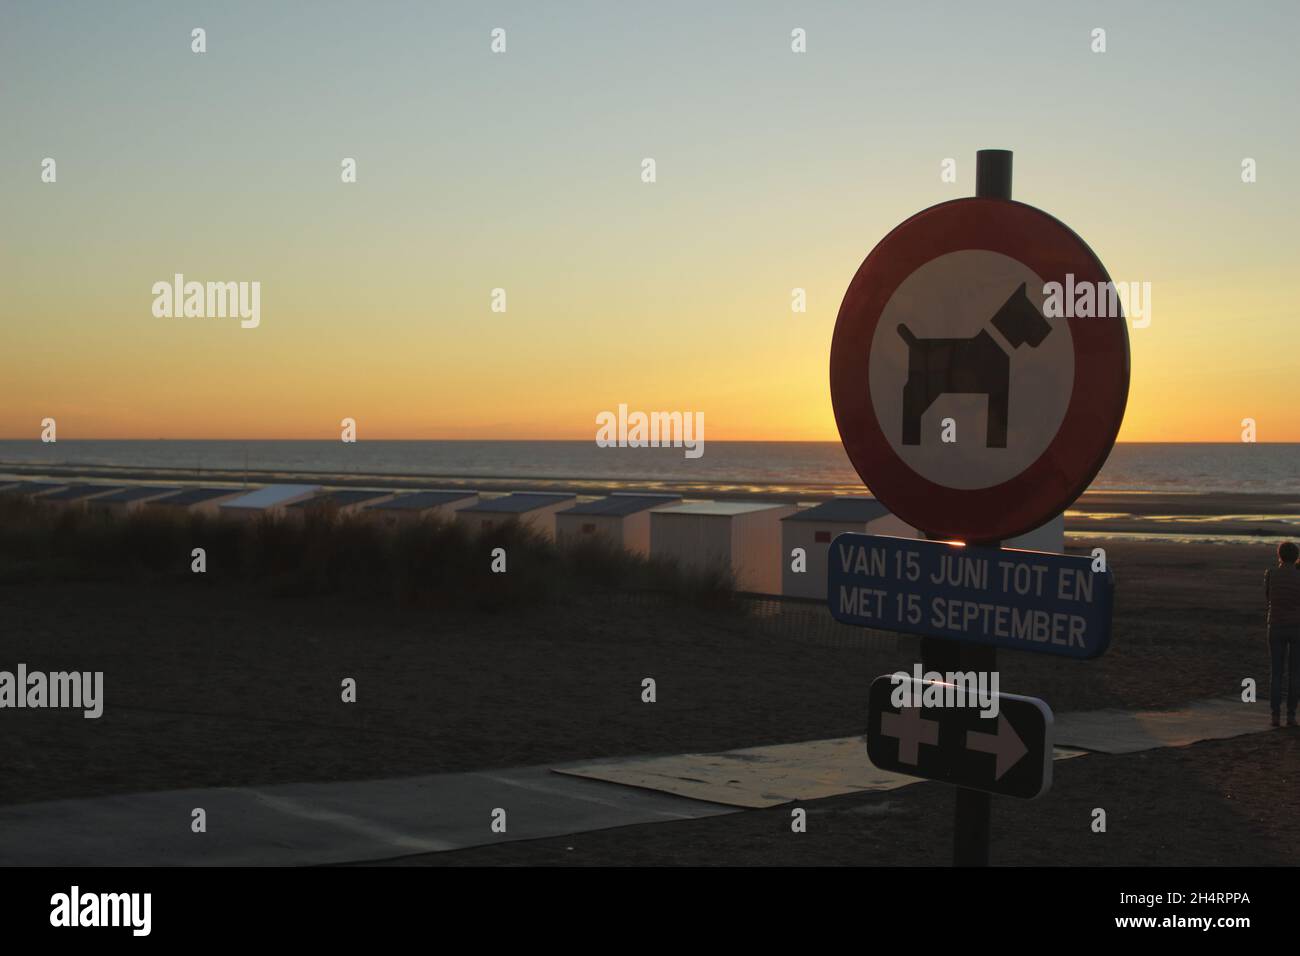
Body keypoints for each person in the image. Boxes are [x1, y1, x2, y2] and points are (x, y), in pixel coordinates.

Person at [1264, 542, 1300, 727]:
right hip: (1297, 626)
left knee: (1276, 673)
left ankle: (1275, 715)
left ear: (1279, 555)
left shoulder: (1270, 574)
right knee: (1295, 674)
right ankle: (1291, 715)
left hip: (1276, 625)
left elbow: (1268, 597)